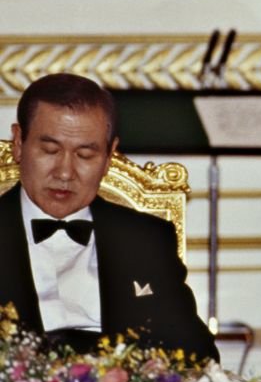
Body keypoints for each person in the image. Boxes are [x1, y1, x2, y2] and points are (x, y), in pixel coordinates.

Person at [0, 73, 218, 361]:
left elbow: (198, 356)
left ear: (109, 156)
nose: (65, 172)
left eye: (85, 155)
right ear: (18, 143)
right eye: (50, 150)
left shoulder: (146, 240)